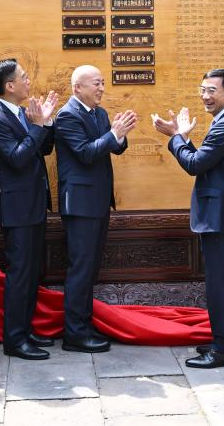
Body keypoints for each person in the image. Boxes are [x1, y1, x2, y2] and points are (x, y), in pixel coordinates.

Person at [152, 69, 224, 369]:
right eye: (202, 90)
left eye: (212, 91)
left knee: (220, 284)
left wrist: (176, 137)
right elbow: (206, 162)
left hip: (221, 217)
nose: (205, 96)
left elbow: (194, 165)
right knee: (220, 282)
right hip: (220, 215)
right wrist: (181, 138)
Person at [55, 64, 137, 353]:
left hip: (98, 202)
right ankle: (75, 335)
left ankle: (84, 325)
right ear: (78, 88)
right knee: (81, 269)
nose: (102, 88)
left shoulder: (99, 113)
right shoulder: (67, 115)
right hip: (80, 205)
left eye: (102, 82)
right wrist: (113, 133)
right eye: (96, 83)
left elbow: (114, 147)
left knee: (90, 268)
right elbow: (86, 154)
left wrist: (120, 134)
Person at [0, 59, 59, 360]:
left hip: (33, 204)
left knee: (31, 273)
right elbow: (17, 158)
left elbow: (43, 148)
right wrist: (38, 126)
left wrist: (46, 123)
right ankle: (15, 340)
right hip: (18, 209)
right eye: (24, 77)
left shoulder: (22, 112)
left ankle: (26, 331)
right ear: (9, 86)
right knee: (19, 275)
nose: (29, 81)